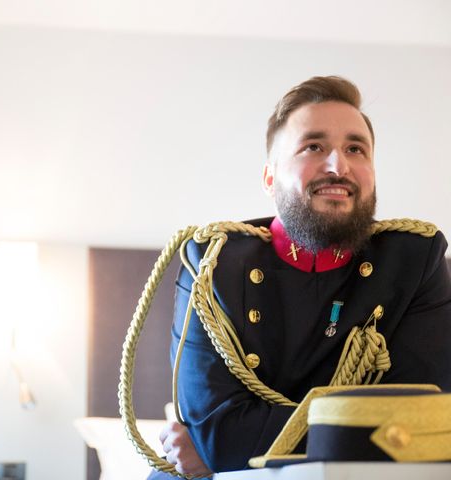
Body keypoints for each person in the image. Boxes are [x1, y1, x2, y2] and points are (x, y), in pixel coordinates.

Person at [148, 76, 451, 478]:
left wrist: (229, 443)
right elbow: (217, 431)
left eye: (355, 149)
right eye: (314, 146)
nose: (338, 165)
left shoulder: (415, 260)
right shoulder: (211, 264)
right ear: (270, 178)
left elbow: (413, 427)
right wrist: (219, 443)